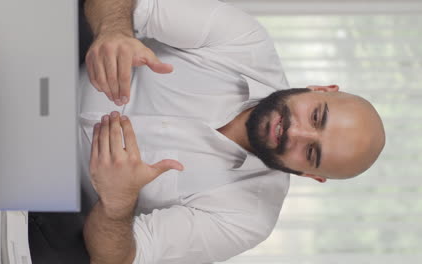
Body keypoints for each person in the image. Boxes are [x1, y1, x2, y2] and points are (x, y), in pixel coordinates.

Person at [78, 0, 386, 263]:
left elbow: (120, 258)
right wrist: (113, 30)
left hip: (45, 191)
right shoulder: (244, 39)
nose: (296, 133)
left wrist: (117, 203)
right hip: (47, 67)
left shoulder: (248, 218)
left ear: (309, 175)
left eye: (311, 152)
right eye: (317, 116)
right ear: (320, 89)